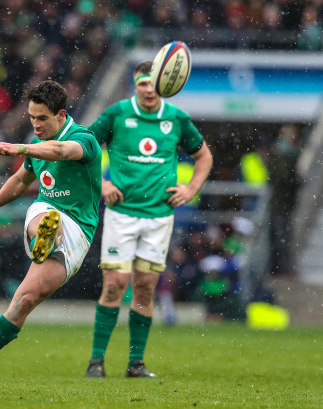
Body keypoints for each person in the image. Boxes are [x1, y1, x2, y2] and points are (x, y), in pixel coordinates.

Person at [0, 80, 102, 395]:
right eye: (32, 118)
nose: (35, 124)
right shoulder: (39, 144)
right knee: (46, 215)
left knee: (23, 302)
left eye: (42, 118)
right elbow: (20, 181)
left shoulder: (84, 139)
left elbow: (63, 151)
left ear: (61, 115)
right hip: (46, 211)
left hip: (80, 231)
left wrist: (20, 147)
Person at [84, 61, 213, 378]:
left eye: (153, 83)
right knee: (115, 285)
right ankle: (96, 361)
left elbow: (204, 156)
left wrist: (191, 187)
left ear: (165, 84)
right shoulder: (116, 114)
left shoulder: (176, 118)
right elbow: (84, 149)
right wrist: (104, 184)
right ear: (134, 85)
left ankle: (136, 363)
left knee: (144, 288)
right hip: (122, 216)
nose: (148, 89)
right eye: (142, 83)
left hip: (159, 218)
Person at [267, 124, 301, 277]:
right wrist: (297, 182)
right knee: (282, 237)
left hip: (282, 201)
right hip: (281, 201)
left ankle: (280, 268)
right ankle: (282, 269)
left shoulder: (283, 153)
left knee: (281, 236)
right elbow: (284, 178)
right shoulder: (282, 153)